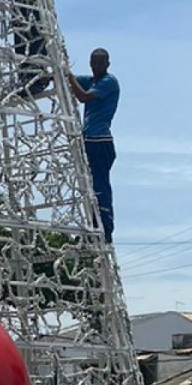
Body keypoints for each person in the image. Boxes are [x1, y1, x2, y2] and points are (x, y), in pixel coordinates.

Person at [67, 48, 119, 241]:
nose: (96, 66)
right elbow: (69, 80)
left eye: (100, 63)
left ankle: (105, 226)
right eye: (94, 62)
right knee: (89, 185)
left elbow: (83, 97)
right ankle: (92, 223)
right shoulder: (91, 80)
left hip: (100, 141)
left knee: (99, 184)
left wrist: (67, 75)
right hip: (88, 140)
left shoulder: (109, 82)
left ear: (107, 64)